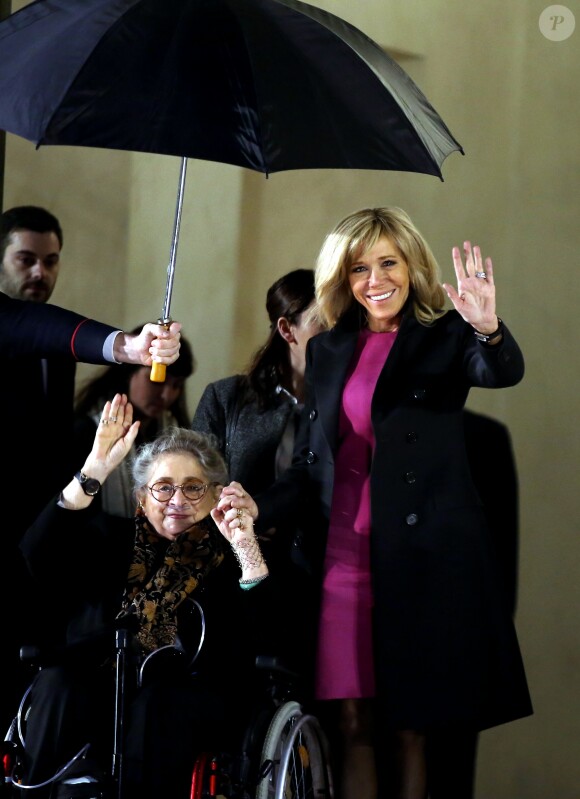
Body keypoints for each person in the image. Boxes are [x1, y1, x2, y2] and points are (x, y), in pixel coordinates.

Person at [218, 207, 533, 799]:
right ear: (343, 277)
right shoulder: (331, 348)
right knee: (352, 722)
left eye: (388, 263)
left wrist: (488, 327)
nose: (375, 279)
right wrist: (257, 507)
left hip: (416, 559)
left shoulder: (446, 335)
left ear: (412, 266)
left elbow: (500, 370)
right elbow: (311, 465)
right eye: (359, 268)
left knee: (410, 726)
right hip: (342, 558)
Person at [17, 393, 271, 799]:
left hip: (185, 700)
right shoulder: (109, 540)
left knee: (159, 702)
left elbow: (269, 630)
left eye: (193, 488)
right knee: (58, 681)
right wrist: (93, 471)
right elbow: (37, 555)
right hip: (100, 683)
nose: (177, 501)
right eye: (163, 488)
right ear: (141, 498)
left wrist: (245, 546)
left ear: (215, 495)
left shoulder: (232, 554)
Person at [0, 205, 181, 736]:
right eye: (26, 259)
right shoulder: (13, 321)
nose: (40, 272)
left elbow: (52, 334)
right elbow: (28, 326)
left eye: (51, 261)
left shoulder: (52, 349)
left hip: (43, 541)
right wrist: (126, 346)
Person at [191, 268, 323, 675]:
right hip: (236, 574)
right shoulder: (227, 397)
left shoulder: (344, 402)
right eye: (323, 323)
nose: (336, 335)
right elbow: (196, 488)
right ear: (286, 329)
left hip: (317, 574)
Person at [74, 327, 195, 516]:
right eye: (156, 381)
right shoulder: (86, 431)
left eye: (176, 386)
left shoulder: (176, 436)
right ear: (129, 373)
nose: (166, 395)